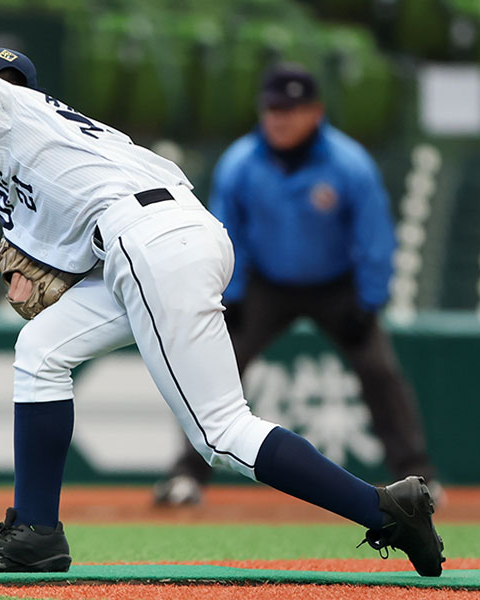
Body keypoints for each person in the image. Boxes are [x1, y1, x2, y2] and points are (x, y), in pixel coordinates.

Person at [0, 42, 445, 577]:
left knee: (222, 435)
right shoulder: (57, 139)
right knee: (42, 352)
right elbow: (64, 235)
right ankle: (36, 530)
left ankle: (385, 509)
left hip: (149, 243)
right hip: (174, 236)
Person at [154, 64, 443, 508]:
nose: (280, 118)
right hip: (265, 284)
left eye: (291, 109)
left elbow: (374, 237)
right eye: (272, 108)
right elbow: (226, 232)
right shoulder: (241, 162)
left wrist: (368, 301)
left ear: (316, 112)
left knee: (379, 370)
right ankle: (186, 476)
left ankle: (419, 477)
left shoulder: (348, 163)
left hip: (337, 284)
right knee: (214, 367)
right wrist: (232, 292)